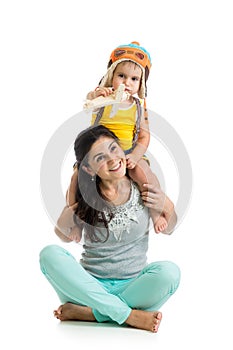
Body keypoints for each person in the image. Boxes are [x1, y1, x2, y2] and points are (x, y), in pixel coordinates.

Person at [39, 125, 180, 333]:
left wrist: (166, 206)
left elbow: (170, 228)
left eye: (114, 149)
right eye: (100, 158)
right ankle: (128, 315)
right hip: (88, 288)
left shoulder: (142, 185)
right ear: (88, 169)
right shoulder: (86, 195)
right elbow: (62, 235)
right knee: (49, 254)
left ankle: (90, 313)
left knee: (170, 273)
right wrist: (68, 213)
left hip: (132, 287)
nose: (113, 159)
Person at [67, 41, 168, 233]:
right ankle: (75, 222)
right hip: (99, 153)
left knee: (147, 176)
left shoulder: (139, 108)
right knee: (75, 180)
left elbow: (144, 137)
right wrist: (97, 93)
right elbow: (89, 99)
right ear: (111, 76)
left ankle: (155, 211)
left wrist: (136, 156)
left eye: (134, 79)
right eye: (121, 76)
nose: (127, 83)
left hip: (128, 152)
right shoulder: (103, 99)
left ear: (141, 85)